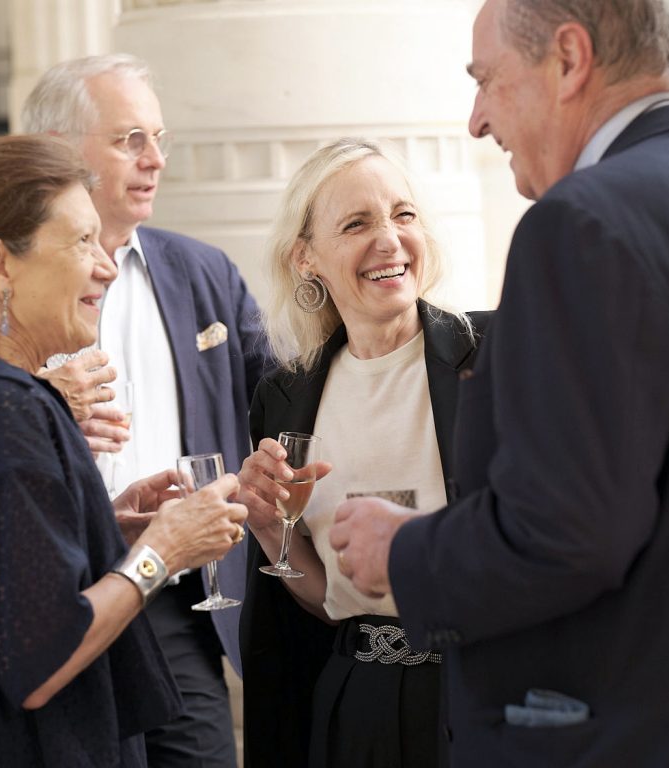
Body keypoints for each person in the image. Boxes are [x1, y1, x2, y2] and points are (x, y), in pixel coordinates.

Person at [331, 1, 669, 766]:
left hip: (632, 733)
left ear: (569, 58)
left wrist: (405, 553)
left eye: (487, 80)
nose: (475, 120)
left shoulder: (582, 223)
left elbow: (568, 531)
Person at [0, 134, 249, 767]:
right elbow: (39, 660)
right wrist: (159, 551)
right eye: (82, 241)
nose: (108, 266)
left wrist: (96, 523)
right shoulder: (6, 412)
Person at [22, 55, 267, 767]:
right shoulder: (4, 282)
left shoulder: (203, 273)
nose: (155, 159)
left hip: (174, 602)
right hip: (53, 602)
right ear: (60, 147)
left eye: (157, 137)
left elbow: (275, 396)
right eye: (130, 138)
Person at [237, 138, 492, 768]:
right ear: (306, 259)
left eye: (402, 215)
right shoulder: (285, 396)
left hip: (481, 691)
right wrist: (273, 535)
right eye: (357, 224)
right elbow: (326, 600)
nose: (389, 240)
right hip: (357, 698)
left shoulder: (495, 355)